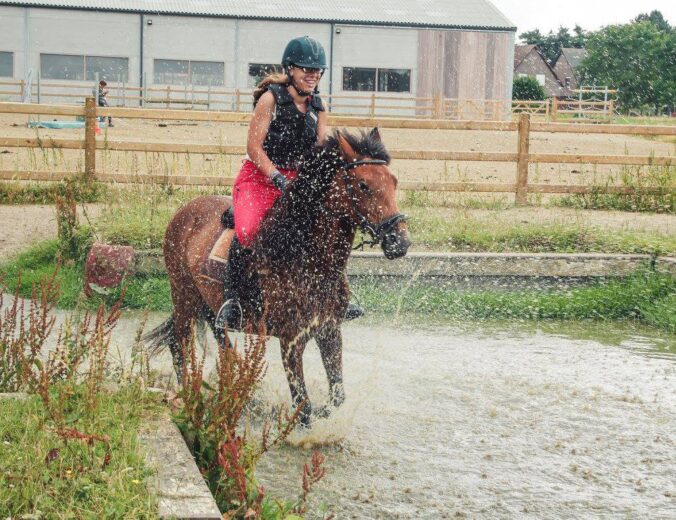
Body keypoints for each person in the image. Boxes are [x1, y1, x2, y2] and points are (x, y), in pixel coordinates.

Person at [215, 35, 363, 329]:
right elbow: (254, 148)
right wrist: (277, 177)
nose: (313, 75)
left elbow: (320, 151)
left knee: (326, 229)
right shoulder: (270, 99)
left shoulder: (319, 108)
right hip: (260, 177)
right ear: (290, 69)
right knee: (250, 229)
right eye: (306, 69)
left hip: (299, 181)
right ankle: (233, 301)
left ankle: (340, 295)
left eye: (317, 70)